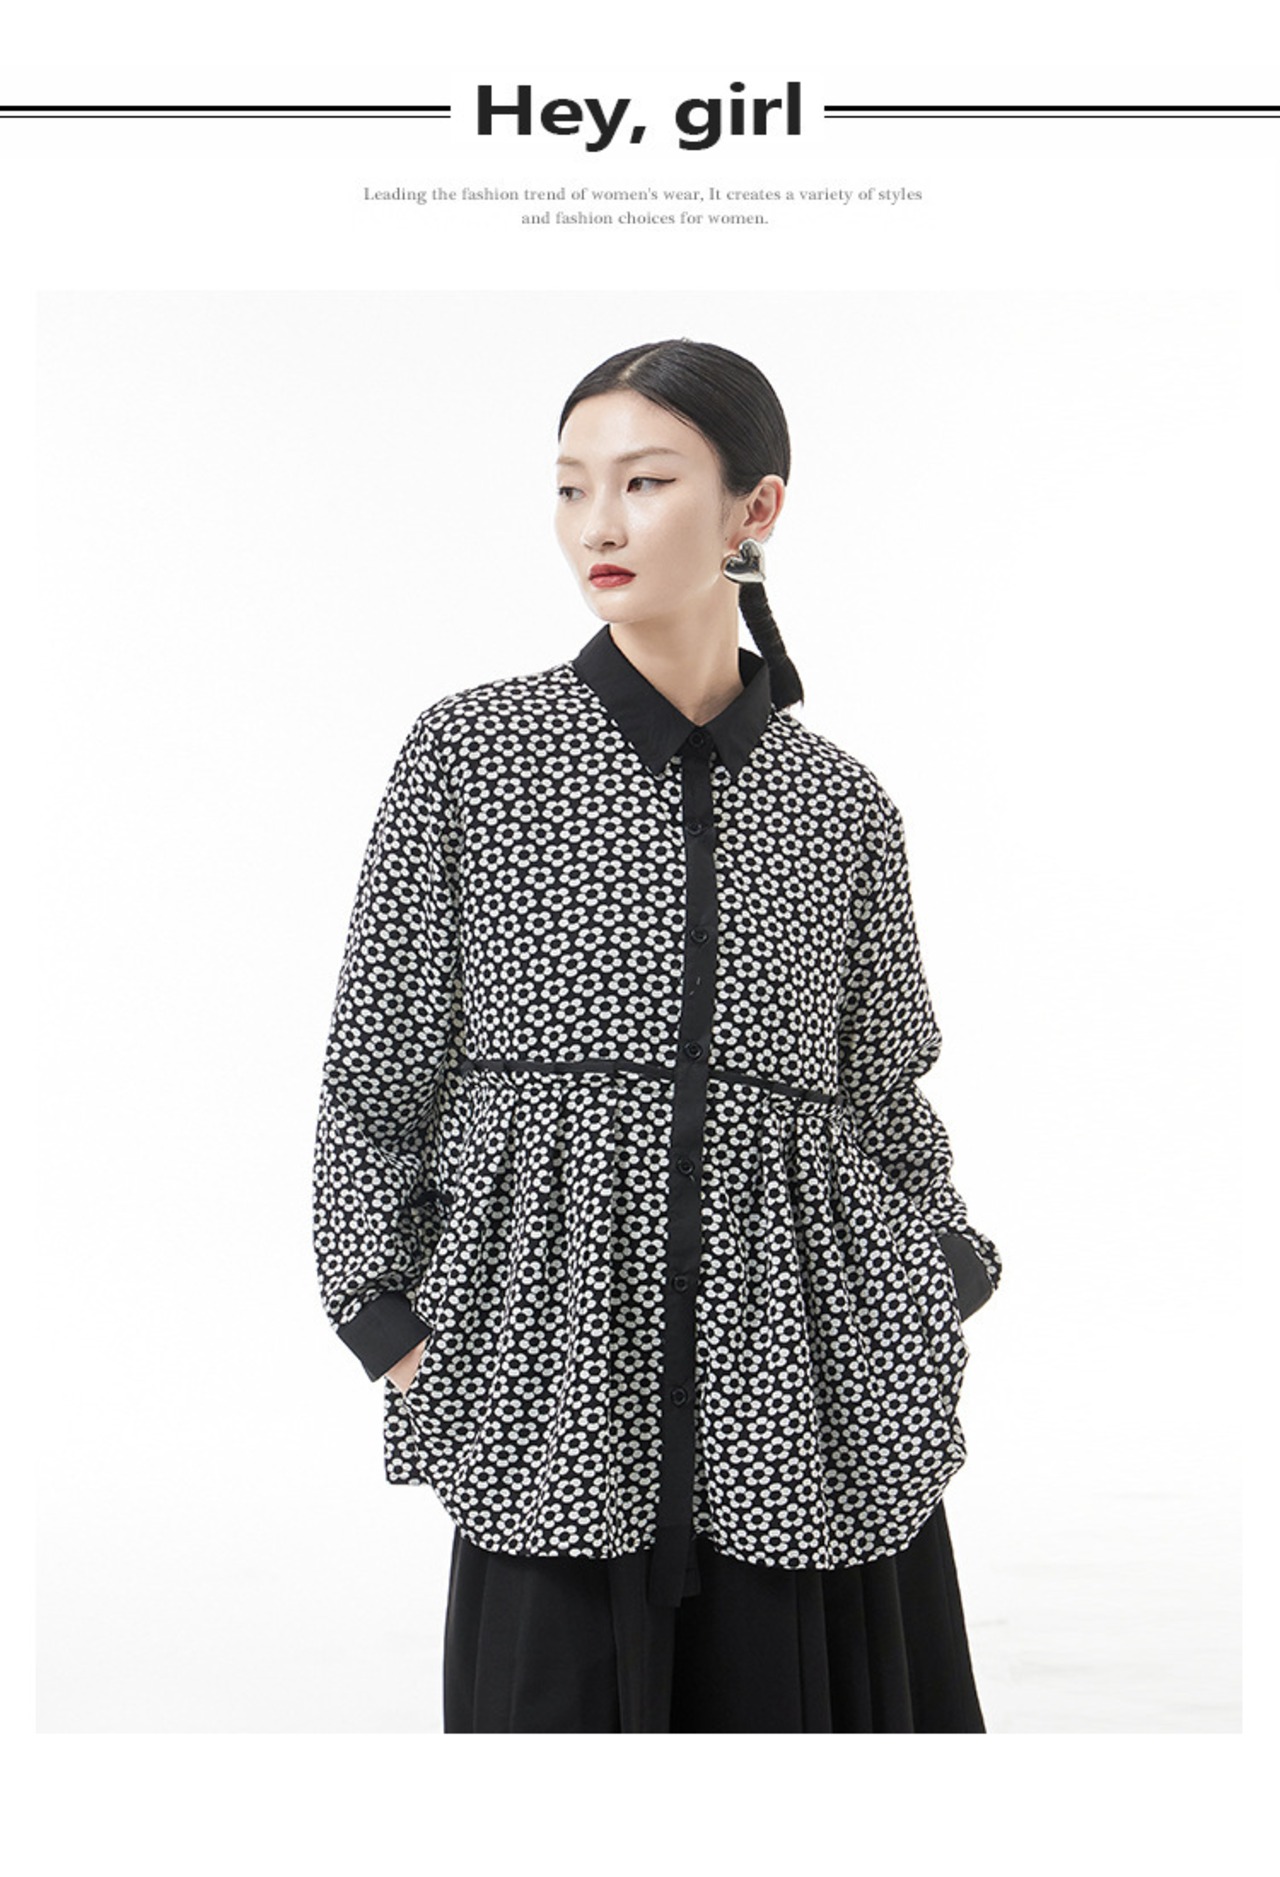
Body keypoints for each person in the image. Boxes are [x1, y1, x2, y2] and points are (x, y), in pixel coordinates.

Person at [312, 337, 1003, 1732]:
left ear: (756, 509)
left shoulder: (842, 807)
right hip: (546, 1377)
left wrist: (940, 1271)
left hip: (804, 1383)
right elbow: (375, 1072)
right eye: (571, 488)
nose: (599, 526)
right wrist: (385, 1319)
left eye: (643, 482)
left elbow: (884, 1093)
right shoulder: (472, 755)